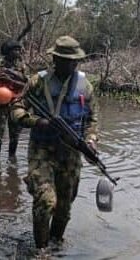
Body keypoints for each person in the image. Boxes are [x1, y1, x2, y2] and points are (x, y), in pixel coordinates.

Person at [10, 36, 98, 249]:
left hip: (70, 154)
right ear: (55, 59)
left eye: (74, 61)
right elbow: (15, 109)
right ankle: (41, 250)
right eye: (65, 60)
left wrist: (91, 140)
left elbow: (92, 120)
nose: (71, 64)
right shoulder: (37, 82)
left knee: (64, 209)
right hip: (42, 151)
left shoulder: (85, 86)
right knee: (46, 201)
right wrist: (35, 121)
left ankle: (56, 244)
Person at [0, 39, 28, 159]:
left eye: (19, 49)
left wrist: (11, 80)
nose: (18, 52)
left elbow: (26, 85)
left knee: (14, 135)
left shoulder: (21, 66)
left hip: (16, 104)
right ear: (8, 52)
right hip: (0, 105)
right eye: (15, 50)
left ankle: (11, 160)